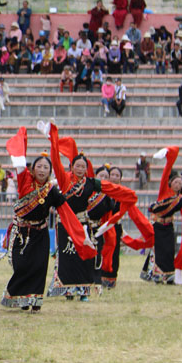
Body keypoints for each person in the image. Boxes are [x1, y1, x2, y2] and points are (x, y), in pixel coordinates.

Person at [0, 128, 95, 311]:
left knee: (39, 266)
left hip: (40, 234)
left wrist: (80, 234)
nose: (42, 170)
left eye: (46, 167)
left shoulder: (52, 191)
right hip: (21, 233)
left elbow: (65, 211)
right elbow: (19, 158)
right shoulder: (25, 181)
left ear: (50, 171)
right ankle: (19, 295)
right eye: (39, 166)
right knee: (22, 266)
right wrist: (23, 135)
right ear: (33, 169)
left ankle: (33, 301)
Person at [42, 121, 132, 301]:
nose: (81, 169)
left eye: (84, 166)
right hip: (66, 223)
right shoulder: (64, 179)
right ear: (72, 167)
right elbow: (56, 160)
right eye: (78, 166)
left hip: (82, 224)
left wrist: (129, 195)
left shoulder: (91, 183)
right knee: (67, 255)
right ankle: (66, 289)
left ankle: (83, 291)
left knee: (84, 255)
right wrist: (53, 139)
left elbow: (110, 188)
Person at [135, 147, 182, 285]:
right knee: (158, 251)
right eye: (176, 182)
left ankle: (169, 277)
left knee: (169, 251)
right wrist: (169, 155)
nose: (178, 185)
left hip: (168, 226)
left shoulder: (179, 199)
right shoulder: (164, 192)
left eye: (180, 184)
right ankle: (157, 276)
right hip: (157, 226)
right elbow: (166, 172)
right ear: (170, 183)